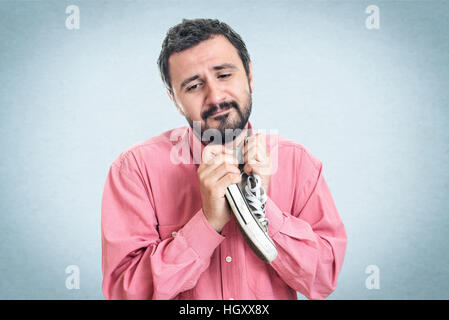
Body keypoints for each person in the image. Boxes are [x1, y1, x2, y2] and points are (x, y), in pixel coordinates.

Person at [101, 18, 347, 300]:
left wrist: (263, 210)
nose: (215, 96)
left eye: (224, 75)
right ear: (173, 98)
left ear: (250, 75)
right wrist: (206, 223)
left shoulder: (299, 163)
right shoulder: (134, 170)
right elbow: (125, 293)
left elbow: (324, 278)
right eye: (193, 86)